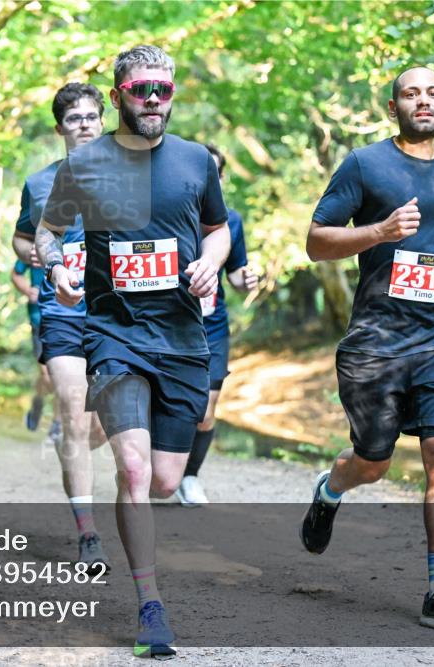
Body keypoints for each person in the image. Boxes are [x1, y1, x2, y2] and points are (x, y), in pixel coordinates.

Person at [300, 66, 434, 631]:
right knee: (373, 463)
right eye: (410, 93)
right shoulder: (365, 164)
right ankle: (330, 490)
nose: (423, 101)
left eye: (433, 92)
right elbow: (317, 241)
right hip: (377, 341)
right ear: (393, 105)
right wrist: (377, 232)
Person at [37, 47, 231, 657]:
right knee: (134, 470)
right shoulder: (85, 163)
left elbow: (219, 229)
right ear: (118, 94)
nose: (154, 98)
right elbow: (47, 231)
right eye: (142, 88)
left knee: (167, 481)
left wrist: (210, 260)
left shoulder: (197, 161)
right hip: (114, 336)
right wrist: (57, 265)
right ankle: (150, 606)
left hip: (180, 339)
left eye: (164, 89)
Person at [15, 82, 110, 575]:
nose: (85, 125)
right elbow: (21, 236)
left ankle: (74, 447)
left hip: (119, 317)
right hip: (63, 310)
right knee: (74, 411)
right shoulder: (37, 184)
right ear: (60, 128)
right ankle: (88, 532)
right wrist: (33, 254)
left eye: (92, 116)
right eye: (74, 118)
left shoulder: (132, 176)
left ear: (104, 119)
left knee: (99, 425)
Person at [175, 145, 258, 507]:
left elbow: (237, 276)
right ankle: (158, 465)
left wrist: (247, 280)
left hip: (211, 325)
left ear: (221, 179)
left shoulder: (232, 221)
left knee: (206, 410)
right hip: (168, 323)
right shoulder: (168, 213)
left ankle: (190, 476)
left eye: (214, 172)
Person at [10, 258, 61, 443]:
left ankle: (56, 425)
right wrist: (26, 289)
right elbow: (16, 273)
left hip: (67, 319)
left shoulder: (74, 240)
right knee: (47, 377)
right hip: (39, 318)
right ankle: (37, 402)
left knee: (60, 377)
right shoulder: (35, 246)